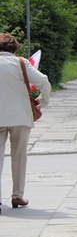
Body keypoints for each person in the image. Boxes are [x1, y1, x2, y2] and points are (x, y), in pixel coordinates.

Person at [0, 33, 51, 211]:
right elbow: (43, 81)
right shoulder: (20, 63)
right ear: (14, 48)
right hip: (20, 116)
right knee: (19, 156)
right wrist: (42, 101)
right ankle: (17, 196)